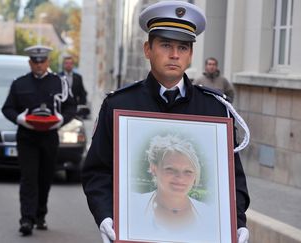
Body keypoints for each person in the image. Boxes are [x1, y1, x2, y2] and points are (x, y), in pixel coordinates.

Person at [81, 2, 250, 243]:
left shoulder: (215, 109)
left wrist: (237, 222)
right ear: (147, 49)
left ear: (191, 55)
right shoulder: (118, 105)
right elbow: (97, 172)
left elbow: (232, 178)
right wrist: (105, 216)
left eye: (183, 47)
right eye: (166, 45)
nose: (174, 54)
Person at [2, 45, 76, 236]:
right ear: (30, 63)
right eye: (35, 62)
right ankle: (26, 219)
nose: (38, 65)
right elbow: (7, 108)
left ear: (47, 62)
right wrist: (19, 118)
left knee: (45, 177)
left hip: (49, 136)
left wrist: (61, 120)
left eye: (42, 61)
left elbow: (70, 107)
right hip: (27, 137)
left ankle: (40, 214)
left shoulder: (59, 83)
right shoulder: (19, 83)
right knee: (29, 177)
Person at [130, 135, 215, 242]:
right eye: (170, 169)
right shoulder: (132, 207)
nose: (180, 177)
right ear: (154, 169)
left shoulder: (209, 215)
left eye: (188, 171)